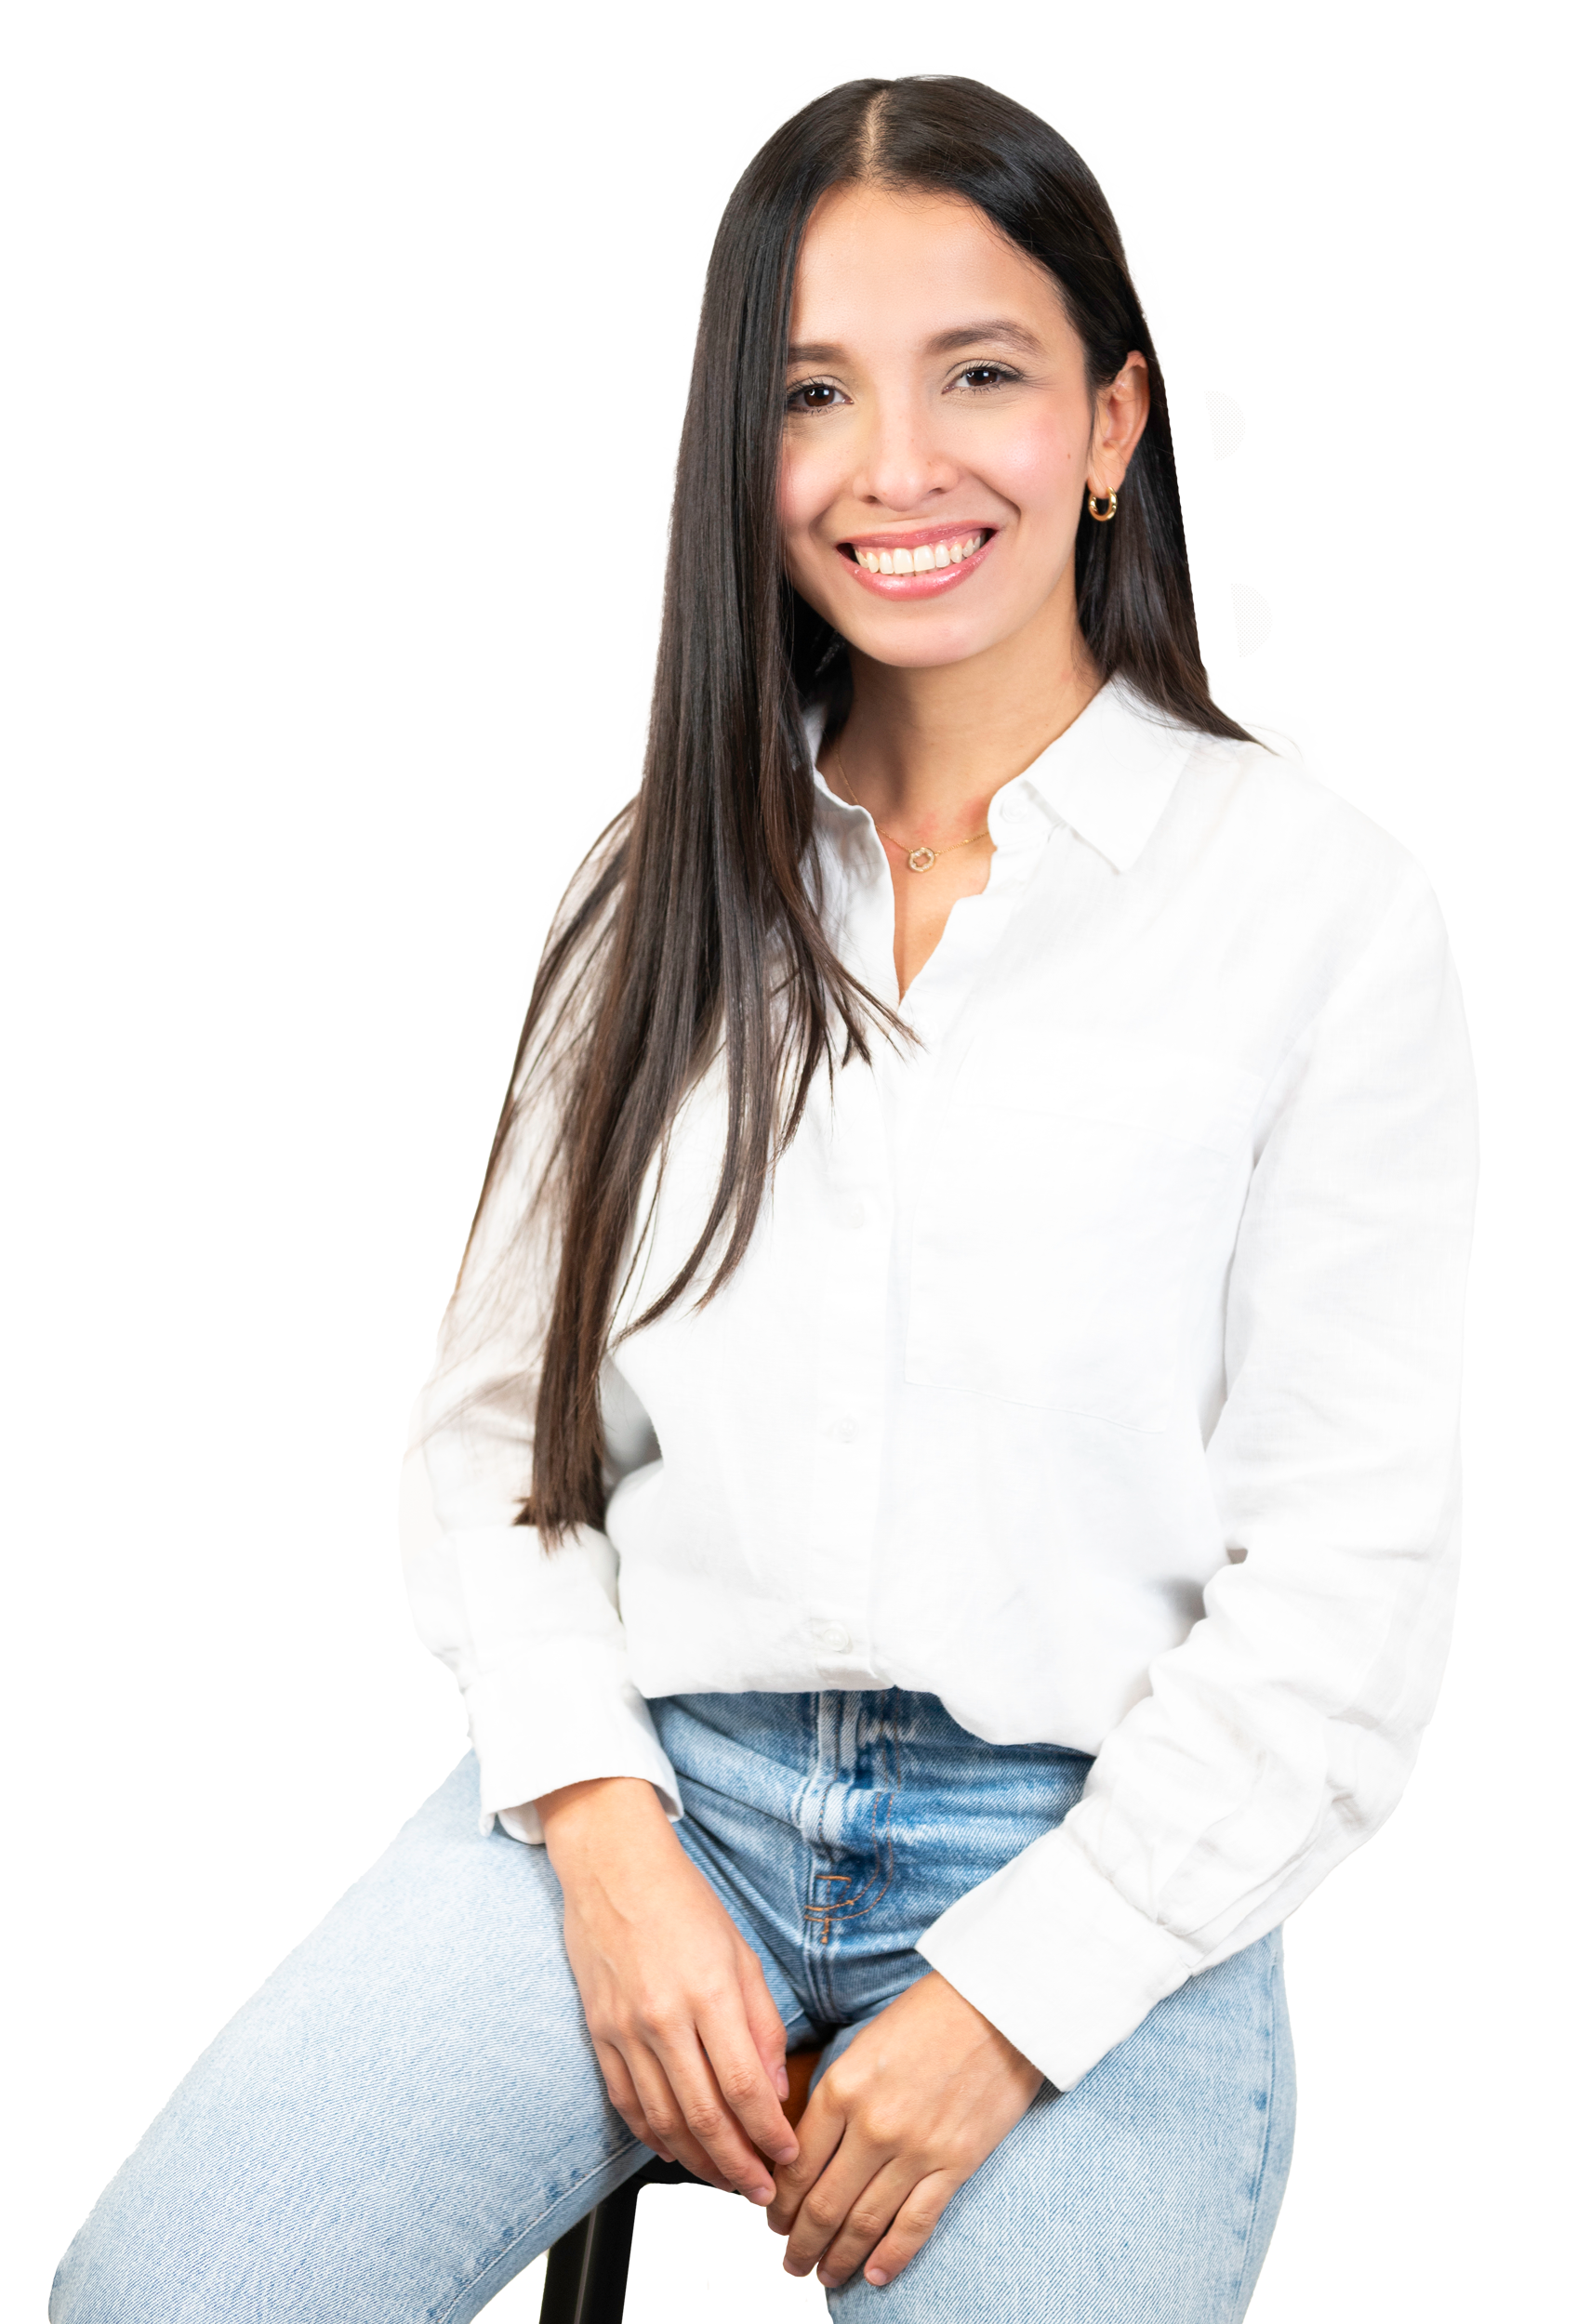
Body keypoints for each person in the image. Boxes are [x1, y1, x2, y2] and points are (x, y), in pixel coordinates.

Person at [52, 73, 1477, 2323]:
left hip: (1095, 1840)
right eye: (813, 392)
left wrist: (1019, 1994)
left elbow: (1345, 1581)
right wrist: (604, 1837)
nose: (895, 464)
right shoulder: (670, 891)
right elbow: (497, 1425)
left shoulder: (1308, 909)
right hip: (666, 1783)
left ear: (1112, 424)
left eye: (977, 374)